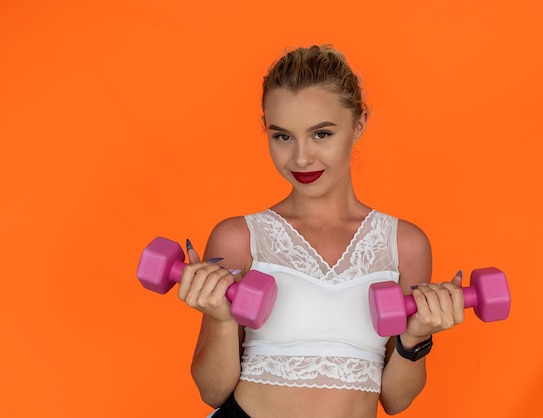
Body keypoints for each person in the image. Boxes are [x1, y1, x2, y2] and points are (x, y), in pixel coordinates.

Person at [178, 45, 465, 418]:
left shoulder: (404, 245)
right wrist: (220, 319)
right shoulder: (240, 238)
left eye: (321, 134)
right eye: (282, 136)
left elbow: (396, 400)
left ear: (358, 123)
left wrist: (416, 336)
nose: (300, 158)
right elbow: (212, 391)